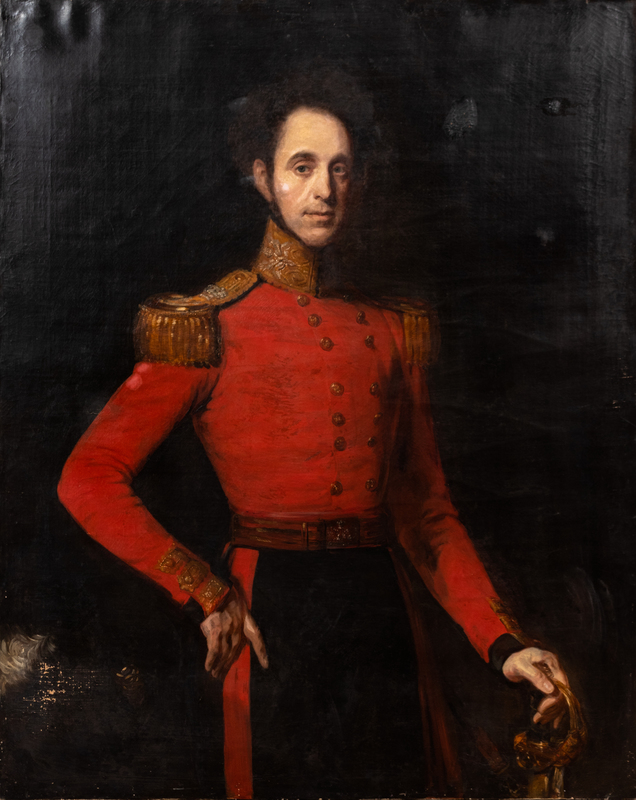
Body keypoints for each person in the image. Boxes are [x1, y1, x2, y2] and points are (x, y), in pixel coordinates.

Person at [58, 68, 569, 798]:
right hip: (267, 613)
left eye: (340, 168)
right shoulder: (207, 325)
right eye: (302, 166)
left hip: (384, 616)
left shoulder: (390, 329)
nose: (324, 188)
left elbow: (426, 514)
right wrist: (204, 590)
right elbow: (88, 477)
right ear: (262, 178)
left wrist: (503, 643)